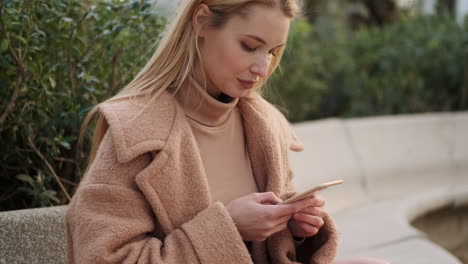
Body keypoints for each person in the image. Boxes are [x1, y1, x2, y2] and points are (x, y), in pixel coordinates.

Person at [66, 0, 388, 263]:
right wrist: (229, 226)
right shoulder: (135, 133)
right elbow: (103, 258)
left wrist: (294, 228)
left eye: (273, 52)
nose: (263, 69)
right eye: (250, 46)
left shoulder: (264, 126)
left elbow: (276, 252)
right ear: (202, 21)